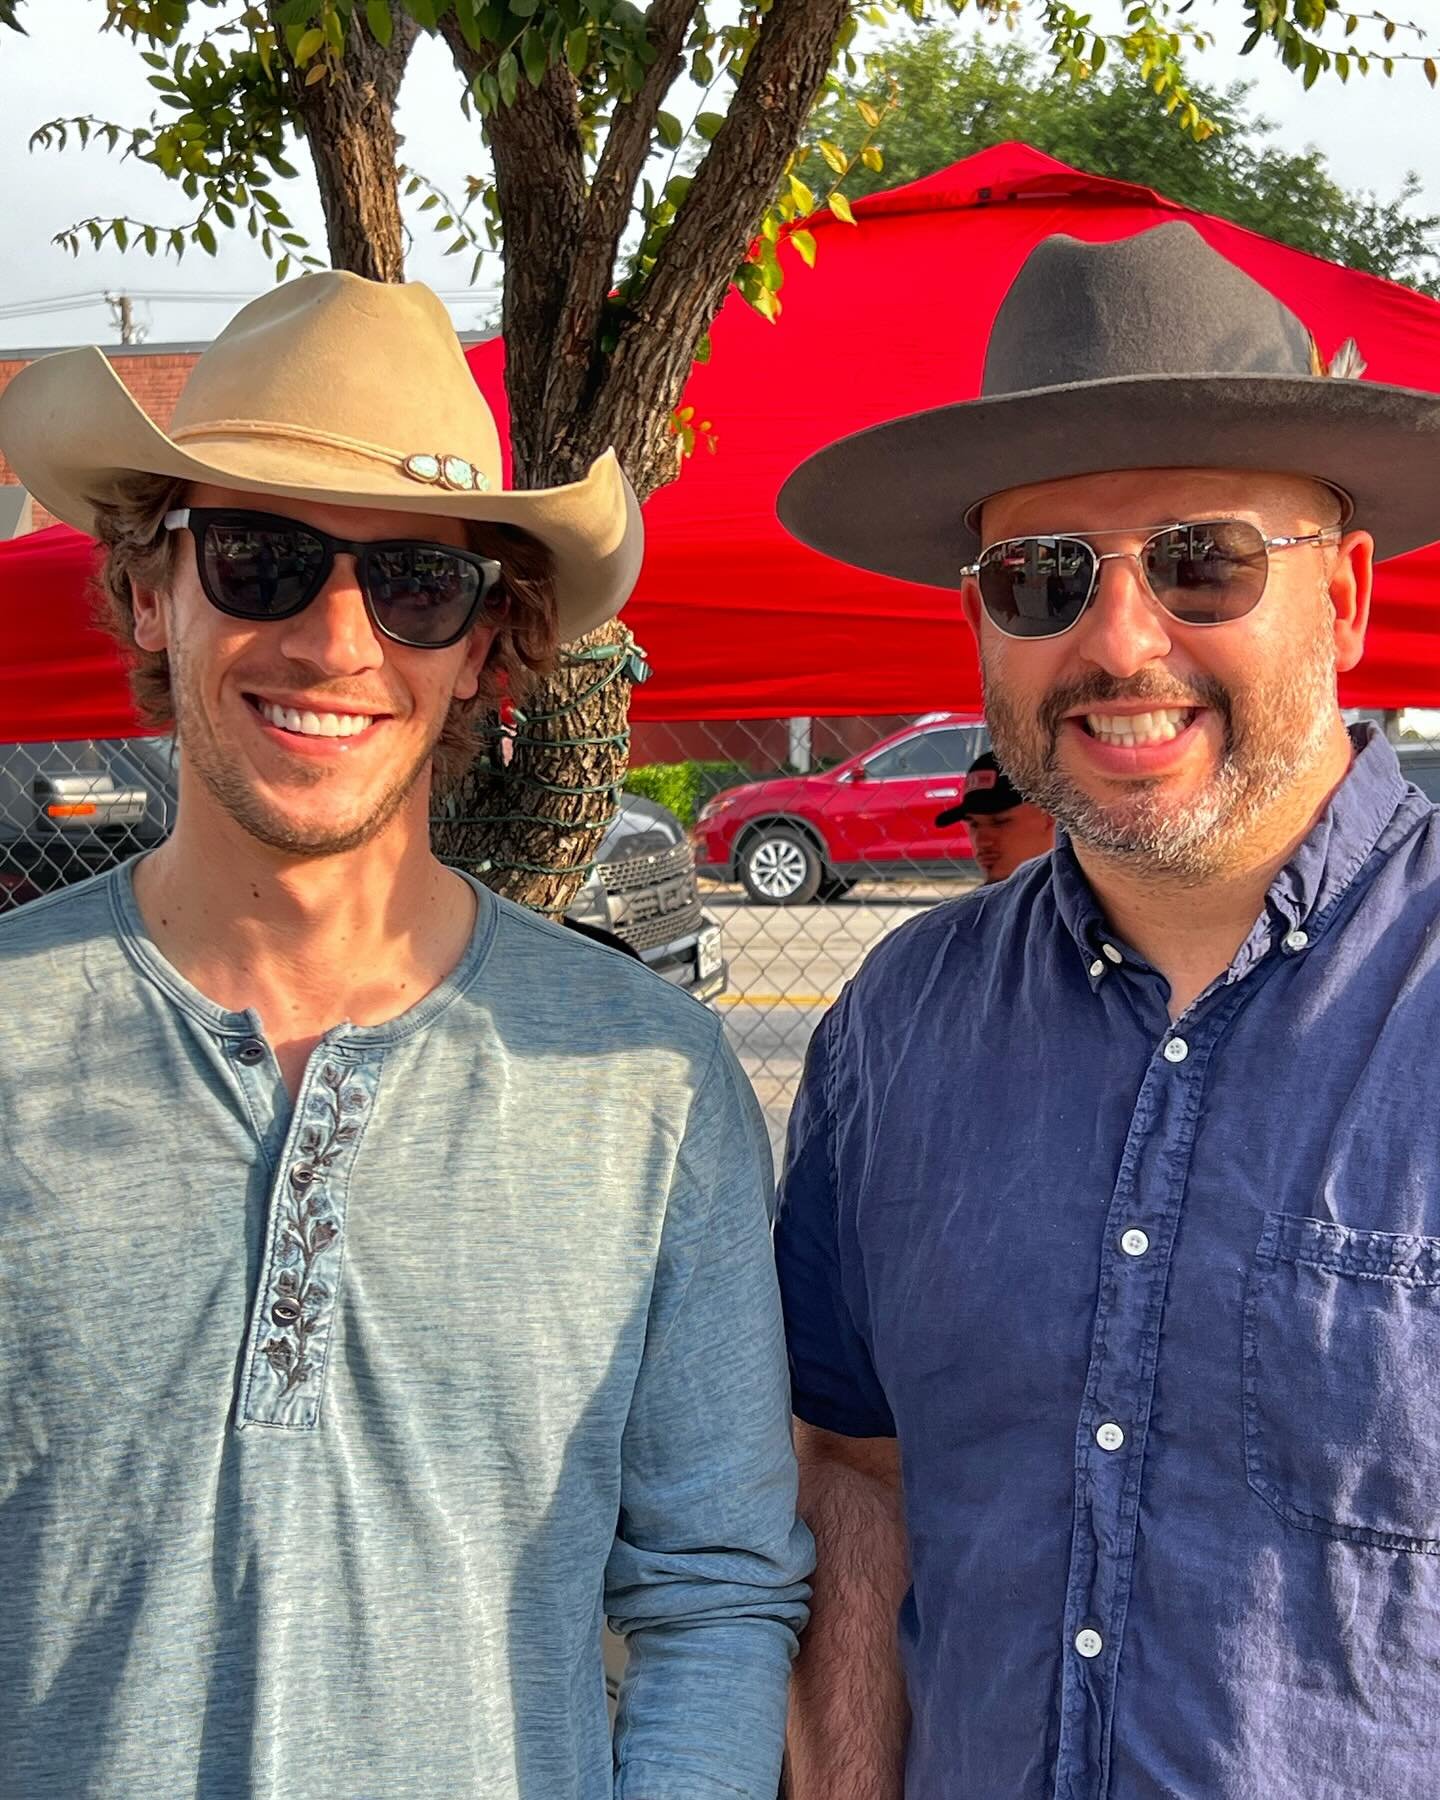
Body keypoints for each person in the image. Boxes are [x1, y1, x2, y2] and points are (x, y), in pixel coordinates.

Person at [0, 272, 811, 1800]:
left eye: (416, 584)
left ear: (482, 643)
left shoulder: (648, 1084)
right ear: (147, 592)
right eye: (258, 557)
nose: (335, 638)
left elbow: (713, 1590)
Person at [771, 221, 1440, 1799]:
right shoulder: (898, 1028)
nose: (1121, 640)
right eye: (1043, 576)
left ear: (1342, 599)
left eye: (1203, 559)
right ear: (982, 626)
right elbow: (853, 1468)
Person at [935, 749, 1055, 882]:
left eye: (999, 822)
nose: (982, 841)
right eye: (974, 824)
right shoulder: (983, 902)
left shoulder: (1075, 897)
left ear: (1050, 815)